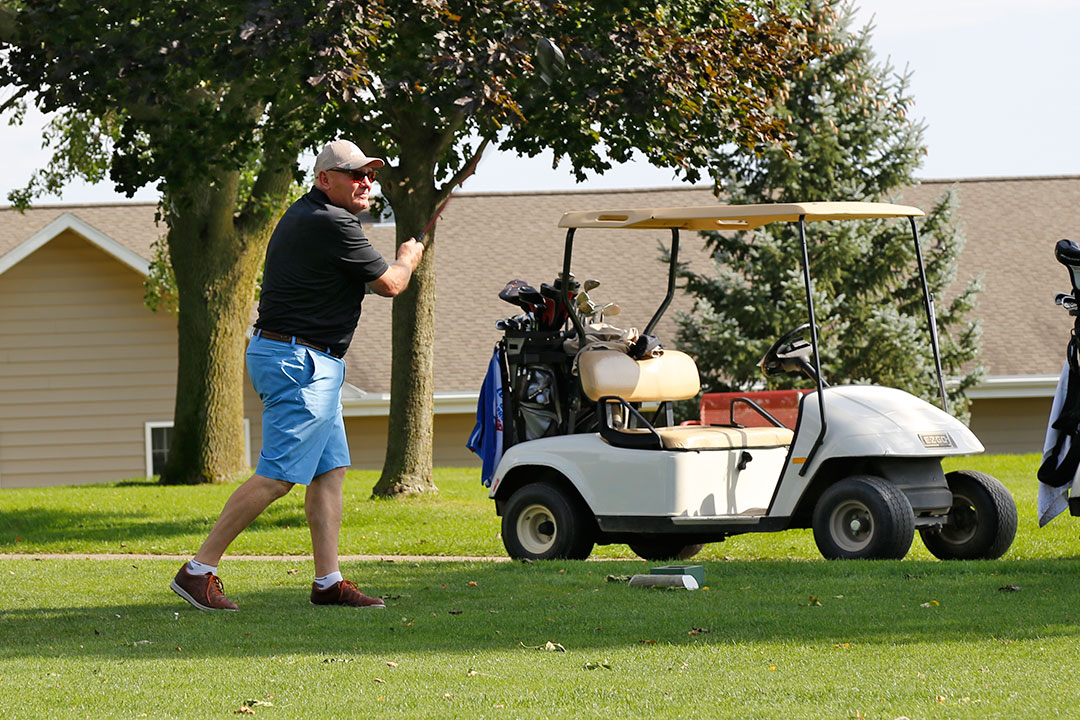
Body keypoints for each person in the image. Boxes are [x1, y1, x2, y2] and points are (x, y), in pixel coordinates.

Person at [170, 139, 424, 611]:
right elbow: (390, 284)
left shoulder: (311, 215)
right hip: (300, 362)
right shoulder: (331, 222)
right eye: (355, 174)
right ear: (325, 179)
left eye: (370, 175)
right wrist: (408, 256)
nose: (366, 182)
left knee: (329, 471)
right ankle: (198, 571)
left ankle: (328, 581)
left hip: (307, 360)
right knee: (278, 477)